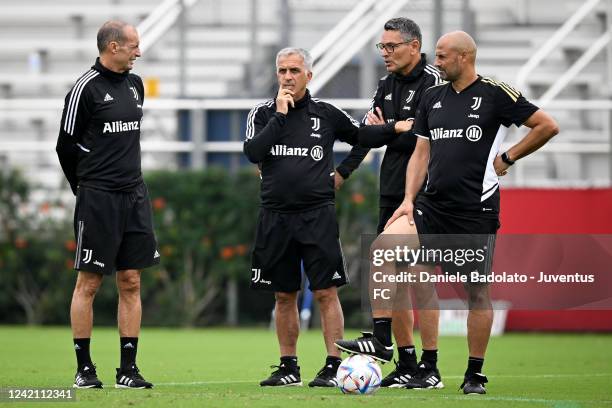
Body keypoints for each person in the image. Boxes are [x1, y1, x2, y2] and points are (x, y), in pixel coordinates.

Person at [337, 31, 559, 394]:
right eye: (435, 56)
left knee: (477, 292)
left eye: (442, 57)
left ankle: (474, 374)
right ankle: (383, 341)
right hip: (431, 206)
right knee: (382, 250)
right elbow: (420, 153)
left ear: (464, 57)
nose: (435, 63)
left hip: (475, 210)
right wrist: (408, 200)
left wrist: (508, 158)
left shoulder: (495, 93)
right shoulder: (433, 97)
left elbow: (547, 125)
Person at [244, 47, 380, 388]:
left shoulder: (327, 114)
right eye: (282, 71)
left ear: (309, 75)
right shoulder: (261, 113)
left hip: (316, 215)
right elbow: (253, 152)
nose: (287, 77)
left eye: (294, 70)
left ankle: (334, 365)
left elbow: (362, 138)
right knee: (283, 294)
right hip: (275, 217)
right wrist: (280, 115)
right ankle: (288, 366)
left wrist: (344, 172)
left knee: (325, 292)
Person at [56, 20, 158, 389]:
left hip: (134, 195)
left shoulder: (135, 85)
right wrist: (82, 188)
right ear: (112, 47)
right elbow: (65, 147)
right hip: (98, 197)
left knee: (131, 281)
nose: (139, 52)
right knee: (89, 282)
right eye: (133, 46)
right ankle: (84, 369)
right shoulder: (85, 89)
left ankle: (128, 370)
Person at [349, 17, 445, 389]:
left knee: (420, 277)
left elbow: (429, 138)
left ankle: (430, 365)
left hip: (424, 190)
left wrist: (390, 129)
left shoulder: (435, 82)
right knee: (396, 279)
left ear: (414, 46)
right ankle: (406, 363)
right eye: (382, 47)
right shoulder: (386, 84)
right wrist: (393, 128)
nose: (385, 53)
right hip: (391, 189)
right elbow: (365, 133)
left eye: (391, 47)